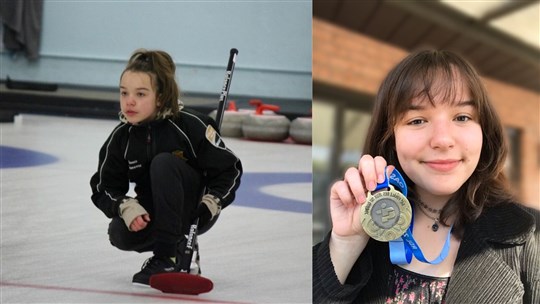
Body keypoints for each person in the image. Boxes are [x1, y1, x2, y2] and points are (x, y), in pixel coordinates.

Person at [312, 50, 539, 303]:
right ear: (390, 138)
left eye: (462, 117)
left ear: (485, 132)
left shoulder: (530, 233)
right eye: (417, 120)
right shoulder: (370, 224)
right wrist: (346, 243)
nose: (442, 140)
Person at [90, 49, 242, 286]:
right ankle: (177, 246)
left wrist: (212, 202)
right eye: (124, 93)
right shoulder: (122, 137)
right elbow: (104, 187)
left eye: (140, 94)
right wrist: (126, 206)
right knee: (119, 233)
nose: (129, 101)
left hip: (194, 209)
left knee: (164, 163)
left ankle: (166, 256)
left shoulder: (190, 125)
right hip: (156, 211)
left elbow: (229, 169)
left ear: (160, 97)